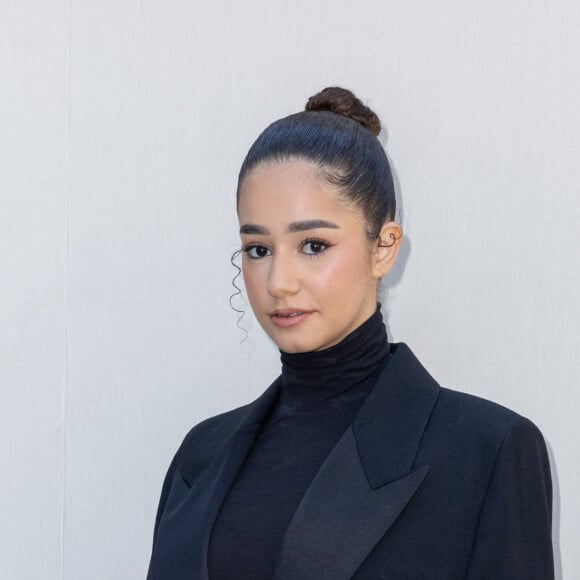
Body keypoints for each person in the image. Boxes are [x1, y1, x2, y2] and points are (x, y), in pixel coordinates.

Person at [146, 87, 554, 579]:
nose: (279, 281)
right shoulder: (200, 456)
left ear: (384, 247)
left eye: (313, 245)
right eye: (258, 249)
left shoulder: (487, 452)